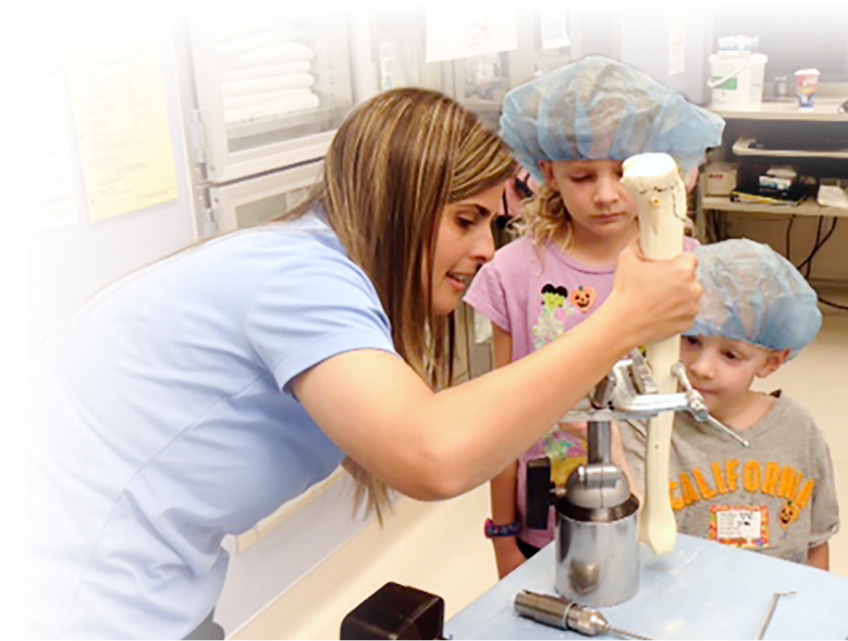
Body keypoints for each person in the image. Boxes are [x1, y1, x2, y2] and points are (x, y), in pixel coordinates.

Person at [13, 88, 702, 641]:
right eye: (465, 220)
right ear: (397, 202)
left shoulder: (316, 268)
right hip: (69, 602)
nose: (487, 249)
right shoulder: (301, 280)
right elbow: (433, 453)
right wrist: (621, 321)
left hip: (157, 586)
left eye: (492, 224)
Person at [463, 56, 725, 579]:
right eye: (583, 175)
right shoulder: (513, 273)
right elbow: (499, 421)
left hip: (660, 513)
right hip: (550, 514)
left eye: (623, 173)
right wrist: (502, 533)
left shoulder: (683, 268)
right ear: (547, 172)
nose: (606, 195)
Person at [621, 238, 839, 570]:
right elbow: (633, 531)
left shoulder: (798, 431)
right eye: (692, 340)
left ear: (771, 362)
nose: (701, 368)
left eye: (730, 355)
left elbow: (816, 542)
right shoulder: (650, 421)